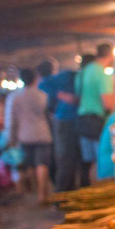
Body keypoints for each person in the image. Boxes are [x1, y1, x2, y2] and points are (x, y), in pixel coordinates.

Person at [39, 55, 90, 192]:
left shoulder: (73, 77)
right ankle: (62, 195)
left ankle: (74, 191)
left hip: (74, 121)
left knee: (77, 158)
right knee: (67, 159)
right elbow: (42, 85)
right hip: (66, 121)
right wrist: (61, 95)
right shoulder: (67, 75)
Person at [6, 68, 52, 203]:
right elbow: (49, 116)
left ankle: (35, 190)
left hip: (24, 136)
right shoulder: (43, 95)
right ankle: (42, 194)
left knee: (30, 164)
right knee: (42, 163)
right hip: (42, 133)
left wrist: (11, 138)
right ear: (35, 79)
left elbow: (10, 120)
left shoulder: (14, 97)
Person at [75, 43, 115, 185]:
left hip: (82, 120)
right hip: (96, 122)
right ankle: (99, 189)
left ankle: (87, 189)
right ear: (110, 55)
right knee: (100, 159)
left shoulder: (83, 72)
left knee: (88, 161)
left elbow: (78, 96)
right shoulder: (102, 74)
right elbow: (108, 104)